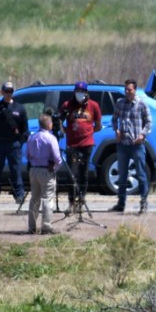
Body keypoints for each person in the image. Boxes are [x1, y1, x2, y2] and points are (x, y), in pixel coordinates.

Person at [59, 81, 102, 214]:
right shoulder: (67, 105)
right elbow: (60, 122)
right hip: (72, 145)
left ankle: (81, 201)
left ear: (86, 93)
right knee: (71, 174)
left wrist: (88, 133)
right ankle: (71, 202)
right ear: (74, 92)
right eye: (78, 91)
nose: (80, 94)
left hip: (86, 144)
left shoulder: (93, 106)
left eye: (82, 91)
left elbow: (98, 125)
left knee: (83, 174)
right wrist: (64, 129)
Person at [0, 81, 28, 205]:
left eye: (11, 91)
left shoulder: (20, 108)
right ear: (2, 92)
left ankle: (19, 195)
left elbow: (25, 130)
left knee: (16, 170)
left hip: (13, 144)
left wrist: (20, 143)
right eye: (6, 91)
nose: (8, 93)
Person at [112, 79, 152, 214]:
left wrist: (142, 135)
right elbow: (114, 119)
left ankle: (143, 203)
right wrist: (116, 130)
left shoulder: (142, 104)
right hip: (123, 144)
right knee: (122, 175)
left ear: (135, 90)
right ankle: (121, 203)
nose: (127, 92)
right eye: (126, 90)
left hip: (137, 145)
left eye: (130, 90)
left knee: (141, 174)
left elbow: (149, 123)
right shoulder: (120, 103)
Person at [25, 113, 62, 235]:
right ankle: (46, 226)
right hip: (46, 170)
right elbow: (57, 158)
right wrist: (55, 168)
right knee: (47, 198)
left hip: (34, 170)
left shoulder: (31, 138)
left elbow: (28, 155)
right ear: (49, 124)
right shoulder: (51, 138)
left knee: (34, 198)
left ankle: (31, 226)